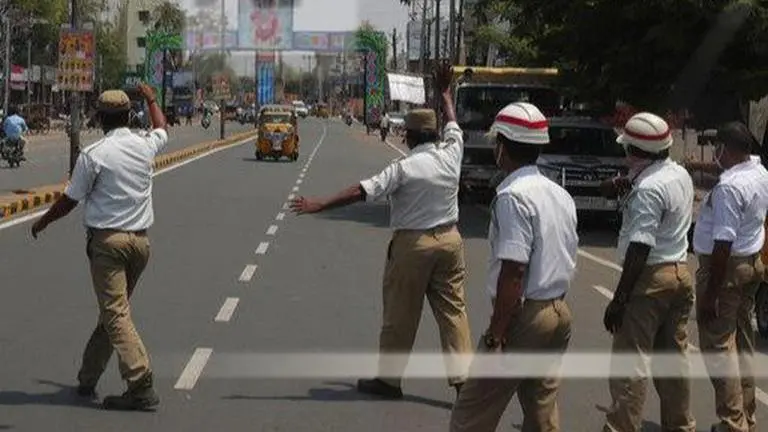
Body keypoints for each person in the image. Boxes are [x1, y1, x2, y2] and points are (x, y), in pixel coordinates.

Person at [289, 61, 472, 399]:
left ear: (410, 136)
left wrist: (319, 204)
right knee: (453, 312)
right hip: (450, 241)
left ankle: (389, 381)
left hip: (413, 245)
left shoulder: (403, 167)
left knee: (400, 315)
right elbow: (455, 124)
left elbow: (361, 191)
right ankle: (463, 382)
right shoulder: (452, 155)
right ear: (435, 135)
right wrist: (445, 93)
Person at [30, 83, 168, 411]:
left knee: (115, 313)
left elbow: (69, 200)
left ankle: (140, 382)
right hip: (140, 244)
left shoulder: (95, 155)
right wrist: (150, 98)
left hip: (108, 244)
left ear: (101, 118)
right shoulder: (145, 145)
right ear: (128, 116)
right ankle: (88, 377)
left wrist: (43, 221)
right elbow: (161, 127)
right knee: (113, 311)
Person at [449, 102, 578, 432]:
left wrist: (495, 336)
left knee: (471, 414)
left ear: (502, 147)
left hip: (525, 317)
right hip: (558, 311)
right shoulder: (559, 193)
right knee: (541, 412)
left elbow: (514, 271)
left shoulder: (513, 196)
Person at [599, 112, 696, 432]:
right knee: (673, 361)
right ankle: (681, 425)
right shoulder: (678, 174)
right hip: (681, 272)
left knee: (631, 363)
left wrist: (619, 299)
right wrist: (624, 183)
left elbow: (640, 247)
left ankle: (621, 427)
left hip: (650, 278)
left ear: (635, 152)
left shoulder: (647, 189)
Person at [693, 122, 768, 432]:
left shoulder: (729, 189)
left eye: (719, 148)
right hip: (751, 263)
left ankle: (732, 422)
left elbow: (722, 243)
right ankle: (746, 416)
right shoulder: (760, 173)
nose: (716, 154)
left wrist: (710, 294)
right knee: (743, 341)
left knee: (718, 346)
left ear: (729, 149)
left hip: (725, 268)